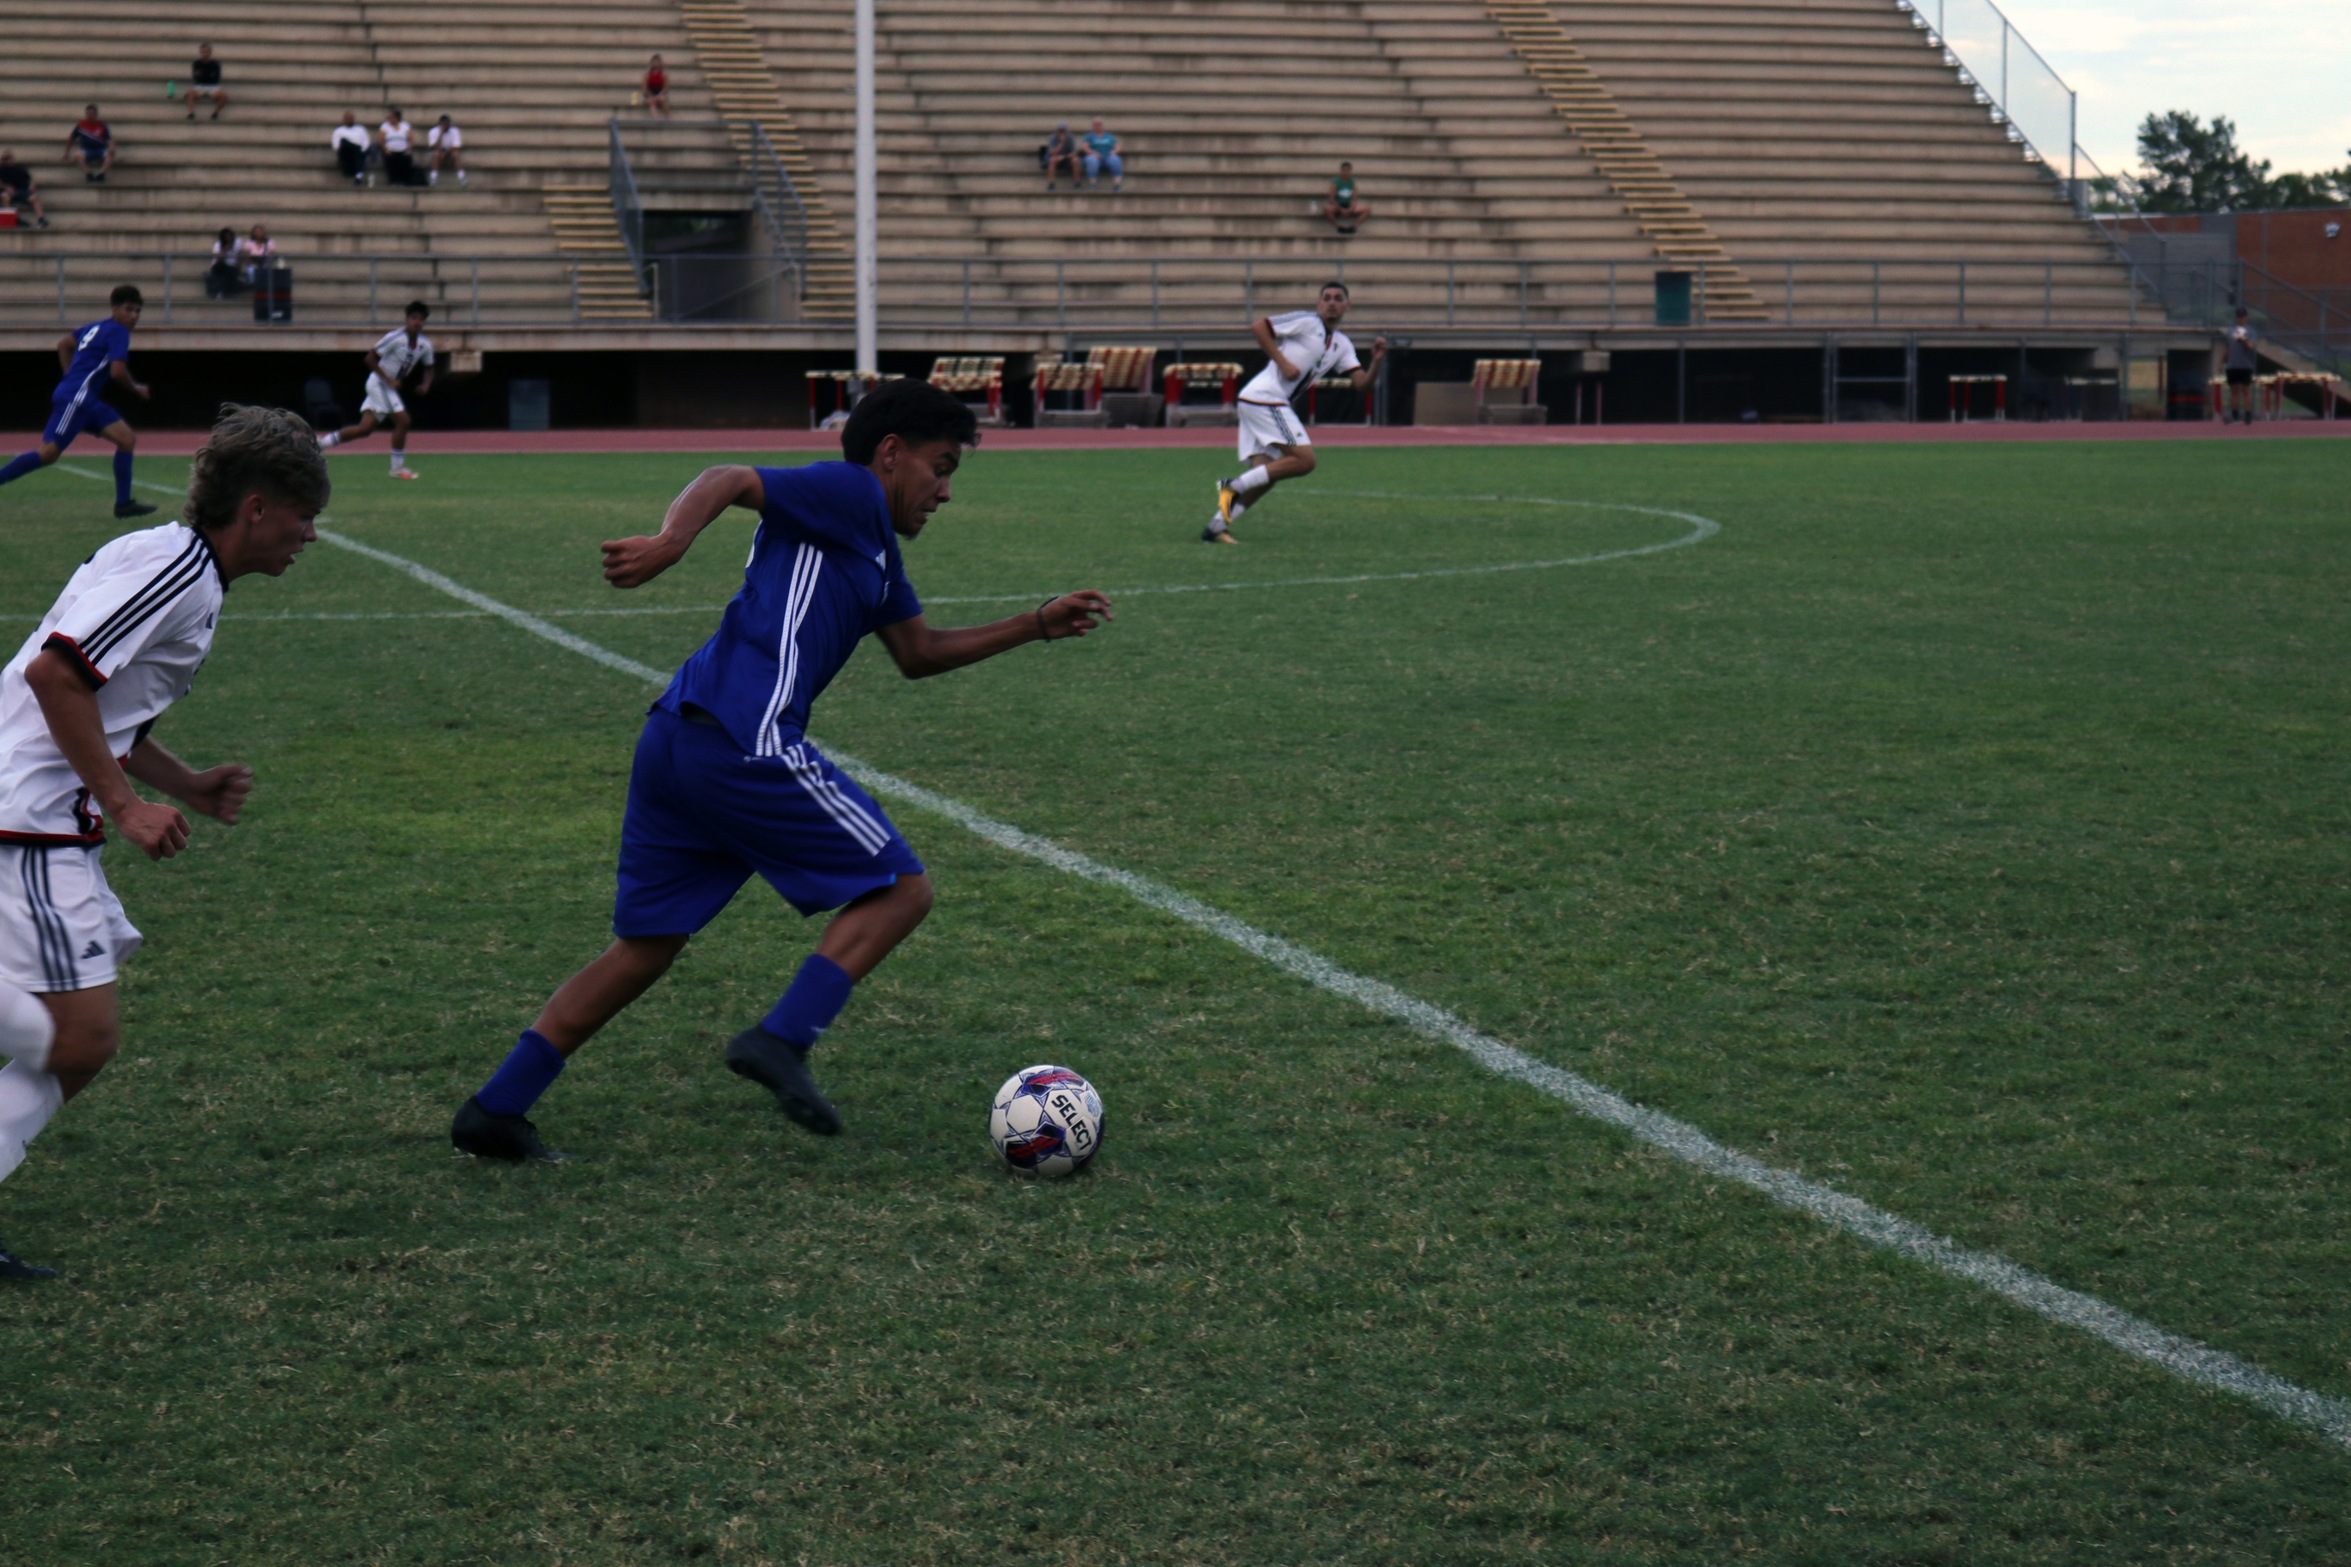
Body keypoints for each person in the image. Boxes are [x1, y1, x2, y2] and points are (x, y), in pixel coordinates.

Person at [447, 379, 1113, 1161]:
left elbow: (918, 652)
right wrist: (671, 540)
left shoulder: (874, 549)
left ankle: (496, 1106)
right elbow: (729, 478)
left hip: (680, 736)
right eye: (939, 467)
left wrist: (1033, 624)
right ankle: (782, 1036)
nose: (944, 491)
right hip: (743, 736)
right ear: (890, 454)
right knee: (901, 890)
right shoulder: (850, 490)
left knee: (645, 945)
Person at [0, 405, 326, 1281]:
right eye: (303, 514)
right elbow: (53, 674)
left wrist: (181, 784)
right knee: (81, 1037)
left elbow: (103, 704)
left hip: (39, 809)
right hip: (26, 815)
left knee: (75, 1027)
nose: (310, 535)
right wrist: (123, 805)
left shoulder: (179, 568)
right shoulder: (176, 570)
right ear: (255, 508)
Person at [1207, 281, 1386, 544]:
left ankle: (1215, 526)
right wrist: (1283, 362)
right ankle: (1234, 486)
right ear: (1319, 303)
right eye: (1326, 298)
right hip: (1265, 398)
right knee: (1305, 461)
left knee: (1267, 475)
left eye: (1338, 298)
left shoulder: (1342, 344)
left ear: (1347, 306)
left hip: (1258, 401)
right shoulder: (1307, 321)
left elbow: (1362, 385)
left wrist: (1377, 363)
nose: (1332, 303)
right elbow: (1259, 327)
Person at [0, 286, 158, 520]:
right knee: (47, 454)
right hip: (76, 399)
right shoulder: (118, 332)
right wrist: (136, 388)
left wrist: (69, 374)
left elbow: (64, 344)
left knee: (127, 439)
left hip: (84, 399)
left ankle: (123, 504)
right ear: (116, 310)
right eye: (129, 310)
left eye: (137, 311)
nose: (134, 316)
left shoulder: (96, 327)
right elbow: (117, 372)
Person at [318, 300, 435, 478]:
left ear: (424, 321)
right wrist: (388, 380)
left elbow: (429, 366)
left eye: (420, 319)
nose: (416, 322)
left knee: (364, 429)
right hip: (379, 383)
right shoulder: (395, 338)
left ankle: (320, 444)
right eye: (413, 318)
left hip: (387, 387)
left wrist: (426, 385)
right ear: (406, 319)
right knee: (403, 421)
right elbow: (370, 358)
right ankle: (396, 468)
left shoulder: (424, 344)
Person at [2224, 308, 2259, 424]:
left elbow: (2251, 347)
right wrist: (2222, 362)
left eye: (2243, 317)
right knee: (2234, 391)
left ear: (2246, 318)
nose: (2241, 319)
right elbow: (2227, 347)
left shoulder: (2251, 332)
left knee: (2246, 390)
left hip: (2245, 365)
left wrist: (2243, 340)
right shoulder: (2230, 331)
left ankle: (2248, 415)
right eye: (2239, 317)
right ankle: (2235, 414)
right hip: (2232, 365)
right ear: (2236, 318)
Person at [0, 150, 50, 229]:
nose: (4, 161)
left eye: (7, 158)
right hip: (9, 193)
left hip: (22, 191)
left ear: (12, 159)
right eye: (3, 159)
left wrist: (31, 185)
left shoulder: (21, 169)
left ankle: (41, 220)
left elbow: (30, 180)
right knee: (4, 196)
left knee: (34, 198)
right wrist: (6, 187)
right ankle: (13, 220)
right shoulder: (1, 170)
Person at [63, 106, 113, 183]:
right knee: (77, 156)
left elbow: (109, 139)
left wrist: (111, 147)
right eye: (88, 113)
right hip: (86, 149)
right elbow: (71, 138)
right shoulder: (81, 125)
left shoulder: (102, 125)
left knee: (109, 155)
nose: (90, 115)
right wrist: (66, 152)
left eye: (92, 114)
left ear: (96, 114)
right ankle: (88, 174)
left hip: (100, 149)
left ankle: (101, 174)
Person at [1323, 161, 1370, 235]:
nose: (1346, 172)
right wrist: (1341, 209)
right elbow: (1331, 199)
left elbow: (1354, 198)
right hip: (1338, 204)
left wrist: (1350, 209)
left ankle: (1354, 226)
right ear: (1341, 171)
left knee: (1366, 209)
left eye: (1347, 170)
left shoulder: (1352, 182)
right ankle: (1338, 226)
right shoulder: (1336, 182)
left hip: (1348, 204)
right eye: (1344, 170)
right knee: (1326, 209)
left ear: (1350, 171)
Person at [185, 44, 228, 120]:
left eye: (206, 52)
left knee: (224, 96)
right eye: (202, 52)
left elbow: (216, 78)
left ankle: (215, 113)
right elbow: (196, 78)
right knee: (190, 94)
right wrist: (208, 75)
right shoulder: (196, 63)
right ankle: (191, 113)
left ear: (210, 53)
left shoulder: (215, 64)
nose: (204, 54)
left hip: (213, 86)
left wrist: (203, 75)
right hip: (200, 86)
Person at [379, 108, 418, 188]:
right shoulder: (385, 126)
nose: (390, 119)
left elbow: (411, 139)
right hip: (390, 150)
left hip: (403, 150)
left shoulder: (405, 125)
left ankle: (404, 181)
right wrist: (386, 149)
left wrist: (409, 149)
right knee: (389, 159)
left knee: (407, 159)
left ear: (397, 117)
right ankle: (393, 181)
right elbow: (381, 140)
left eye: (391, 117)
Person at [1082, 117, 1123, 192]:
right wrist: (1093, 153)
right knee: (1091, 160)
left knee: (1116, 159)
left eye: (1099, 124)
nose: (1098, 126)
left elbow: (1118, 146)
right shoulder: (1089, 136)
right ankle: (1092, 185)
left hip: (1108, 156)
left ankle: (1116, 185)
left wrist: (1114, 152)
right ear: (1093, 126)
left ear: (1102, 125)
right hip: (1095, 156)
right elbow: (1085, 147)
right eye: (1096, 124)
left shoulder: (1109, 136)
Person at [330, 111, 371, 186]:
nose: (349, 120)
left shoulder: (361, 129)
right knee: (344, 141)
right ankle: (358, 174)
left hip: (358, 152)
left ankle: (358, 176)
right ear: (344, 119)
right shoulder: (339, 131)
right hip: (346, 153)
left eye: (351, 118)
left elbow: (366, 142)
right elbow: (336, 145)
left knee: (358, 151)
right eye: (347, 118)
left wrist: (361, 150)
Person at [427, 115, 466, 187]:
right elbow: (434, 147)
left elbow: (456, 146)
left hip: (449, 154)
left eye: (447, 124)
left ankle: (462, 178)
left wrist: (445, 153)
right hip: (438, 154)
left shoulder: (455, 131)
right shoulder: (433, 132)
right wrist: (440, 134)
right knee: (435, 154)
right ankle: (433, 178)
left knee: (456, 154)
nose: (445, 126)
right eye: (443, 124)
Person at [205, 227, 244, 298]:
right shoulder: (218, 243)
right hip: (220, 265)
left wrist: (238, 264)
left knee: (228, 273)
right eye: (226, 236)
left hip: (232, 266)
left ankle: (223, 292)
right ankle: (219, 292)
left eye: (229, 236)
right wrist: (225, 250)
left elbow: (241, 255)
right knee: (220, 270)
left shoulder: (237, 242)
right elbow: (217, 257)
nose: (228, 238)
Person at [236, 223, 277, 287]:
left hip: (264, 263)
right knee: (251, 270)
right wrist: (253, 263)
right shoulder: (249, 242)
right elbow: (245, 253)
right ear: (253, 233)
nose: (258, 233)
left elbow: (272, 253)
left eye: (260, 231)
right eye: (256, 231)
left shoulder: (269, 242)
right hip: (253, 262)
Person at [1043, 123, 1080, 190]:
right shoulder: (1052, 138)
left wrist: (1069, 155)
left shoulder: (1071, 138)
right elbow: (1052, 152)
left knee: (1075, 160)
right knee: (1052, 160)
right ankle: (1051, 184)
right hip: (1056, 158)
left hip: (1067, 158)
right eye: (1060, 131)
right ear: (1057, 132)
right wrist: (1061, 143)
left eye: (1063, 131)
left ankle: (1077, 183)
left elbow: (1075, 151)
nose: (1062, 133)